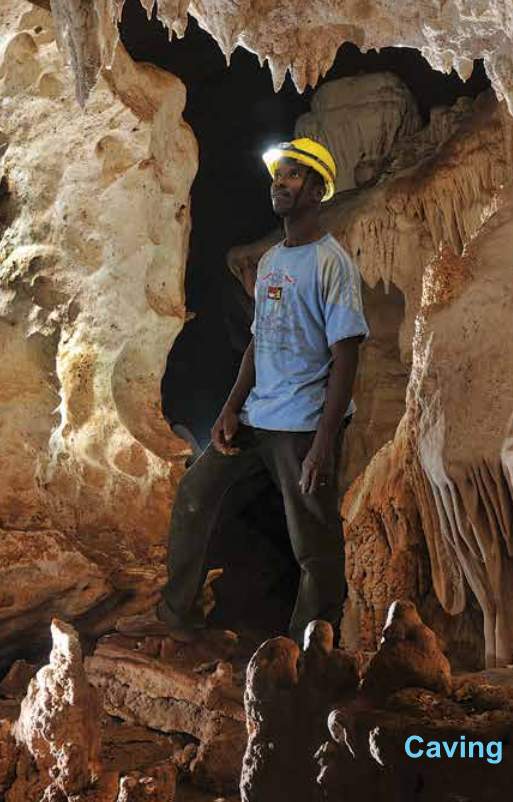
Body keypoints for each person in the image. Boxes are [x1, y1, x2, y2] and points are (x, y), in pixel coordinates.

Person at [119, 137, 369, 646]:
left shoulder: (331, 264)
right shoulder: (274, 260)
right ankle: (177, 613)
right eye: (278, 175)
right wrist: (231, 408)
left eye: (294, 176)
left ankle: (309, 650)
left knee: (312, 545)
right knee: (194, 491)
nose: (280, 183)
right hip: (257, 419)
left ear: (318, 191)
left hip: (302, 428)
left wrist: (324, 440)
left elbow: (347, 355)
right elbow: (259, 341)